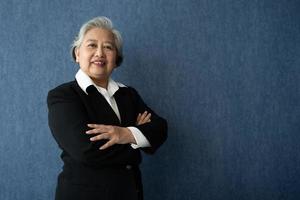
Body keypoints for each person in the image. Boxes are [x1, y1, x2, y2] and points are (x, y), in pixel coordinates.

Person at [47, 16, 167, 200]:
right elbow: (86, 151)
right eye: (92, 45)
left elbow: (160, 128)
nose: (100, 53)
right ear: (77, 54)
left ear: (116, 59)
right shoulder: (64, 96)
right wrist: (138, 139)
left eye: (108, 47)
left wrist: (124, 134)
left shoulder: (128, 94)